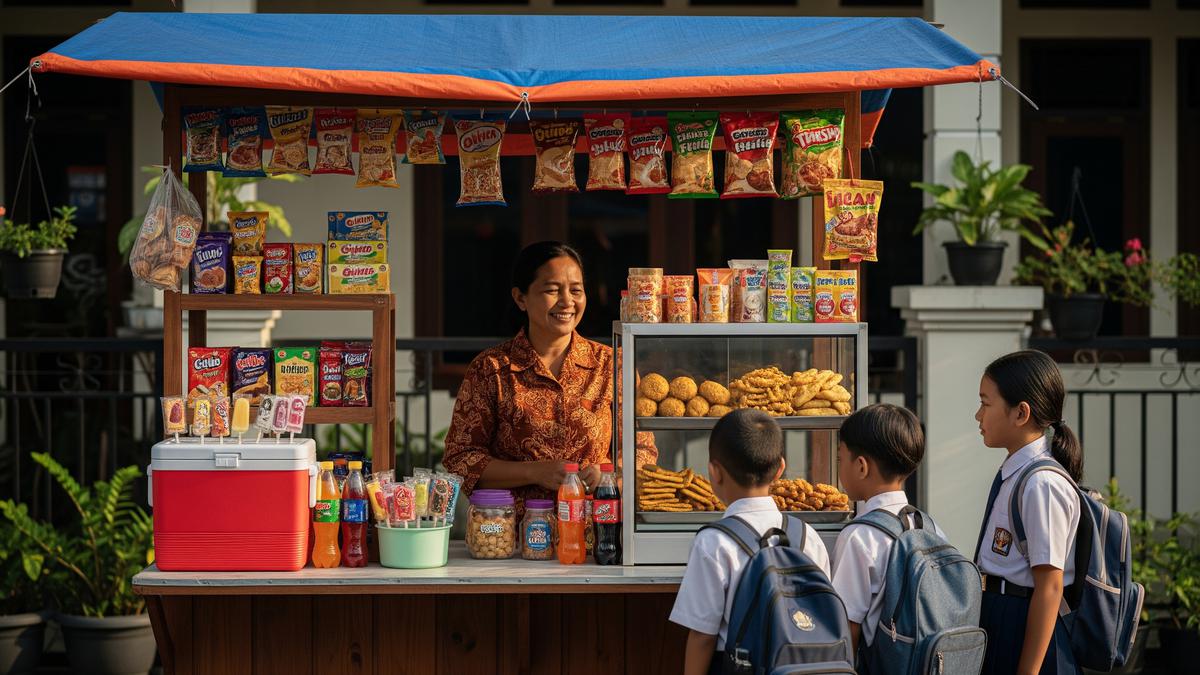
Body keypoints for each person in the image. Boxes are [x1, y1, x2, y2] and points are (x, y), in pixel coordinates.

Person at [441, 241, 657, 511]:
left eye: (576, 290)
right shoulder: (490, 369)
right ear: (521, 298)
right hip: (511, 536)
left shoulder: (613, 364)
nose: (567, 302)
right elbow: (460, 458)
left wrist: (608, 475)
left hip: (598, 532)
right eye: (552, 290)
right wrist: (533, 471)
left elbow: (642, 451)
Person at [669, 409, 831, 675]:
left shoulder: (714, 542)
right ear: (780, 468)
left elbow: (702, 636)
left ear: (714, 473)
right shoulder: (807, 536)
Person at [974, 350, 1083, 675]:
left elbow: (1050, 586)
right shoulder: (1018, 473)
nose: (978, 416)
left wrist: (1029, 671)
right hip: (1004, 615)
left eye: (985, 403)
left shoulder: (1041, 484)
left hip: (1025, 624)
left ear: (1021, 413)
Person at [830, 403, 944, 654]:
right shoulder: (930, 527)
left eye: (840, 458)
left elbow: (847, 627)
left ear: (861, 466)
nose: (839, 466)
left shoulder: (859, 536)